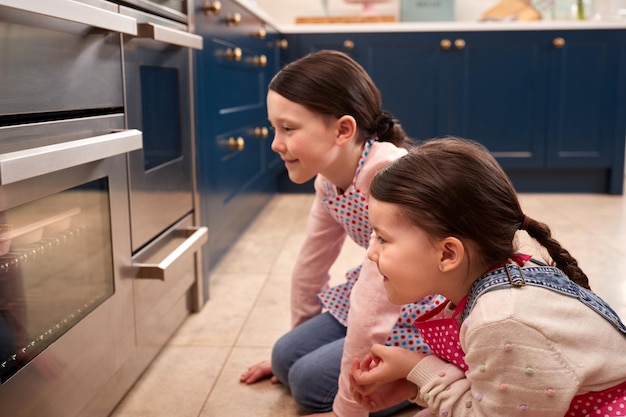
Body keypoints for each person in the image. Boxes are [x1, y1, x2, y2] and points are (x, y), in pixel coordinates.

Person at [349, 137, 626, 417]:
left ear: (447, 254)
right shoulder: (493, 282)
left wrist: (417, 369)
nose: (371, 253)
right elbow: (493, 390)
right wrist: (412, 387)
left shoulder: (502, 320)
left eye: (383, 238)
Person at [239, 50, 445, 416]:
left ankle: (437, 379)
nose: (275, 142)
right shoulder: (328, 182)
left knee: (308, 384)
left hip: (425, 310)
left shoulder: (387, 177)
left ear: (342, 130)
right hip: (386, 296)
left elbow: (374, 301)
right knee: (287, 358)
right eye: (275, 128)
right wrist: (298, 347)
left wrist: (347, 408)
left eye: (288, 128)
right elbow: (311, 261)